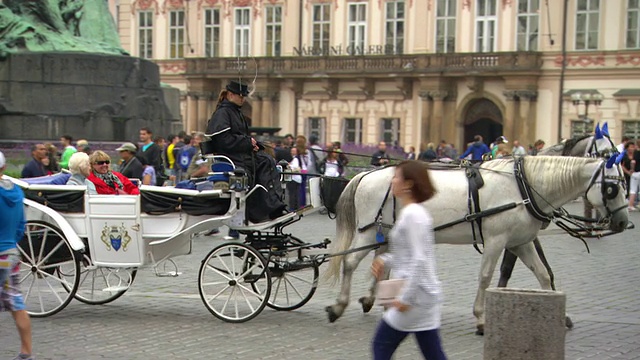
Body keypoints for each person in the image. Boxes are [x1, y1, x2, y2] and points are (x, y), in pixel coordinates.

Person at [370, 160, 446, 360]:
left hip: (416, 298)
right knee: (433, 353)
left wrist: (405, 298)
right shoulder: (413, 213)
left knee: (381, 345)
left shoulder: (413, 215)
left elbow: (419, 259)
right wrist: (385, 260)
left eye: (396, 176)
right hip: (424, 297)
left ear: (408, 184)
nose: (392, 180)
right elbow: (410, 255)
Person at [0, 151, 34, 360]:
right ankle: (26, 352)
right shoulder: (16, 191)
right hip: (10, 253)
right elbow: (22, 225)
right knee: (15, 302)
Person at [205, 80, 258, 183]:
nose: (243, 100)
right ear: (231, 95)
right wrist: (247, 142)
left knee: (266, 161)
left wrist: (253, 145)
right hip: (232, 158)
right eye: (241, 96)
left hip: (240, 157)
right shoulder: (222, 113)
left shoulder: (236, 112)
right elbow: (224, 141)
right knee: (264, 164)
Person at [621, 141, 640, 211]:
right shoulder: (624, 155)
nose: (633, 148)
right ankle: (629, 203)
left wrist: (632, 170)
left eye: (633, 146)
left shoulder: (635, 154)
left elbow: (633, 162)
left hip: (634, 174)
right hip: (627, 175)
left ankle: (631, 204)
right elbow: (621, 165)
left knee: (633, 190)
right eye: (631, 147)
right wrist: (628, 172)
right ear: (627, 148)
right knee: (630, 189)